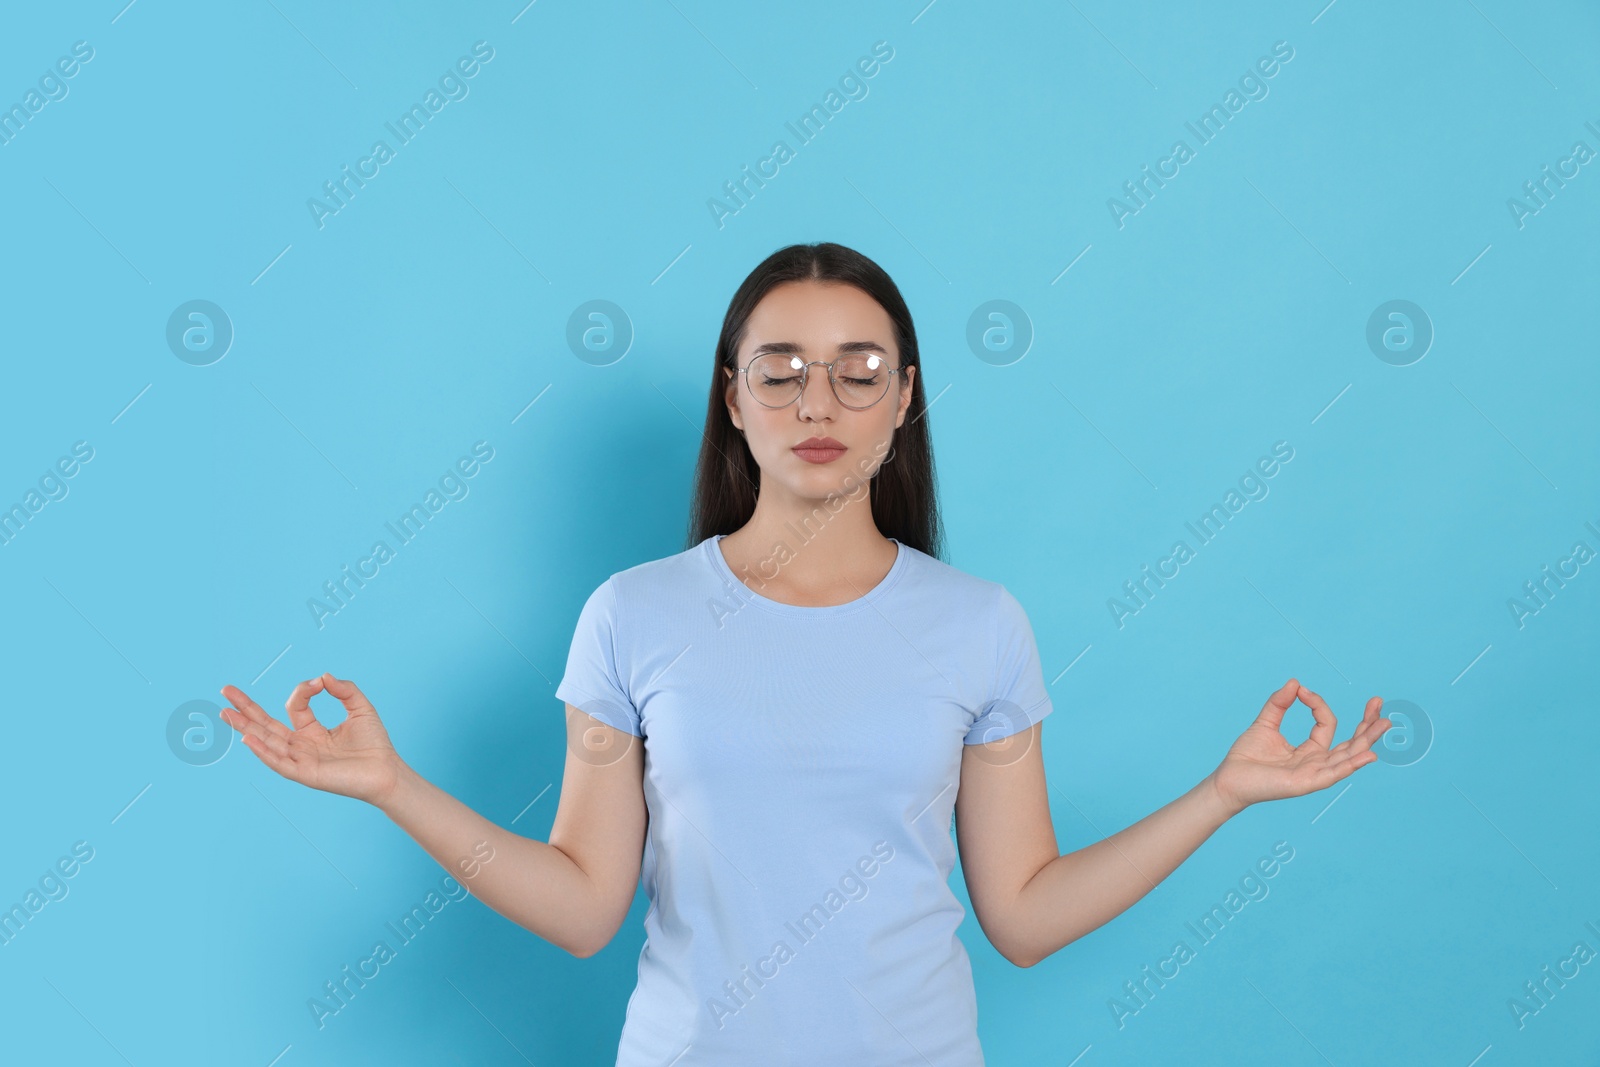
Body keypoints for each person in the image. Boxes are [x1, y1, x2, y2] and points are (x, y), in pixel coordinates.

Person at [219, 241, 1391, 1066]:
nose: (814, 397)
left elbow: (1026, 914)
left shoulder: (980, 624)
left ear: (903, 401)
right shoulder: (632, 614)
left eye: (856, 369)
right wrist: (389, 784)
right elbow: (583, 905)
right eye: (777, 368)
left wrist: (1227, 792)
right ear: (733, 399)